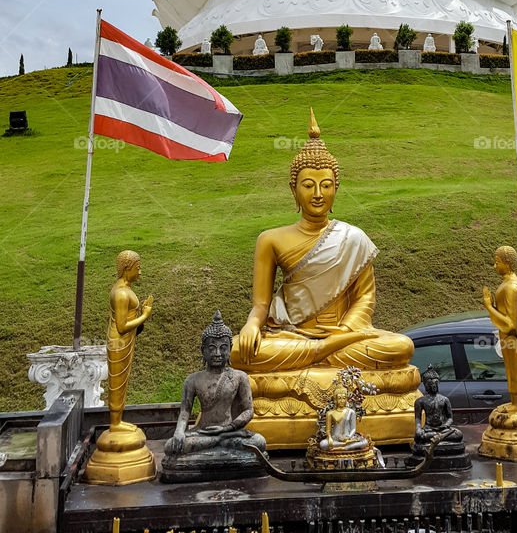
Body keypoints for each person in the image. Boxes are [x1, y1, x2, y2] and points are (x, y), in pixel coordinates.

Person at [233, 108, 415, 375]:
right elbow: (261, 305)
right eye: (308, 186)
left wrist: (343, 333)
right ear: (293, 189)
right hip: (291, 335)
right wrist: (251, 326)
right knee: (238, 351)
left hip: (344, 336)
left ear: (336, 189)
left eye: (326, 185)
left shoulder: (353, 238)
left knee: (401, 347)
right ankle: (319, 356)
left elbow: (364, 299)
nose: (318, 194)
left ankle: (314, 358)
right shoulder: (270, 240)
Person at [164, 311, 266, 460]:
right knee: (170, 446)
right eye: (211, 348)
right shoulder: (192, 380)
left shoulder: (240, 377)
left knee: (259, 441)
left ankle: (217, 441)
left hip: (230, 432)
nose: (217, 353)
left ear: (230, 349)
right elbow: (185, 412)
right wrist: (179, 432)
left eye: (223, 348)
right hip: (202, 433)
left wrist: (227, 429)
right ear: (203, 351)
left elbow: (249, 410)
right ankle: (217, 443)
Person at [107, 250, 153, 431]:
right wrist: (145, 315)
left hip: (125, 341)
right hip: (119, 341)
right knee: (117, 382)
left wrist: (140, 314)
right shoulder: (121, 294)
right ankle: (115, 423)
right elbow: (122, 326)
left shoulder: (126, 290)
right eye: (137, 268)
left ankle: (118, 421)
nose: (140, 272)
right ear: (127, 269)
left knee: (122, 381)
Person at [483, 245, 517, 407]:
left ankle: (516, 404)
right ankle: (514, 402)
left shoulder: (512, 287)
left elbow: (511, 324)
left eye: (497, 262)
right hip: (507, 334)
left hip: (512, 334)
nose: (495, 266)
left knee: (514, 368)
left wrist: (489, 307)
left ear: (507, 263)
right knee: (510, 368)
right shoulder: (507, 283)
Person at [413, 366, 463, 454]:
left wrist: (446, 425)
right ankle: (436, 437)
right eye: (430, 383)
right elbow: (418, 418)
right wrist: (418, 429)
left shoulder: (444, 399)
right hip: (428, 429)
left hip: (443, 429)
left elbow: (450, 417)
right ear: (425, 385)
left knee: (458, 434)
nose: (433, 385)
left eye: (435, 383)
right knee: (418, 436)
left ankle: (436, 437)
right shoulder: (420, 401)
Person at [319, 383, 371, 454]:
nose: (342, 401)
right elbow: (328, 430)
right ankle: (345, 447)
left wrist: (349, 437)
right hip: (335, 439)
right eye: (339, 398)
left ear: (346, 399)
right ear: (335, 400)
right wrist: (330, 438)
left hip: (348, 439)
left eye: (343, 398)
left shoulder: (351, 412)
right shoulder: (330, 413)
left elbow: (353, 429)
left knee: (364, 442)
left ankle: (345, 447)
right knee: (322, 444)